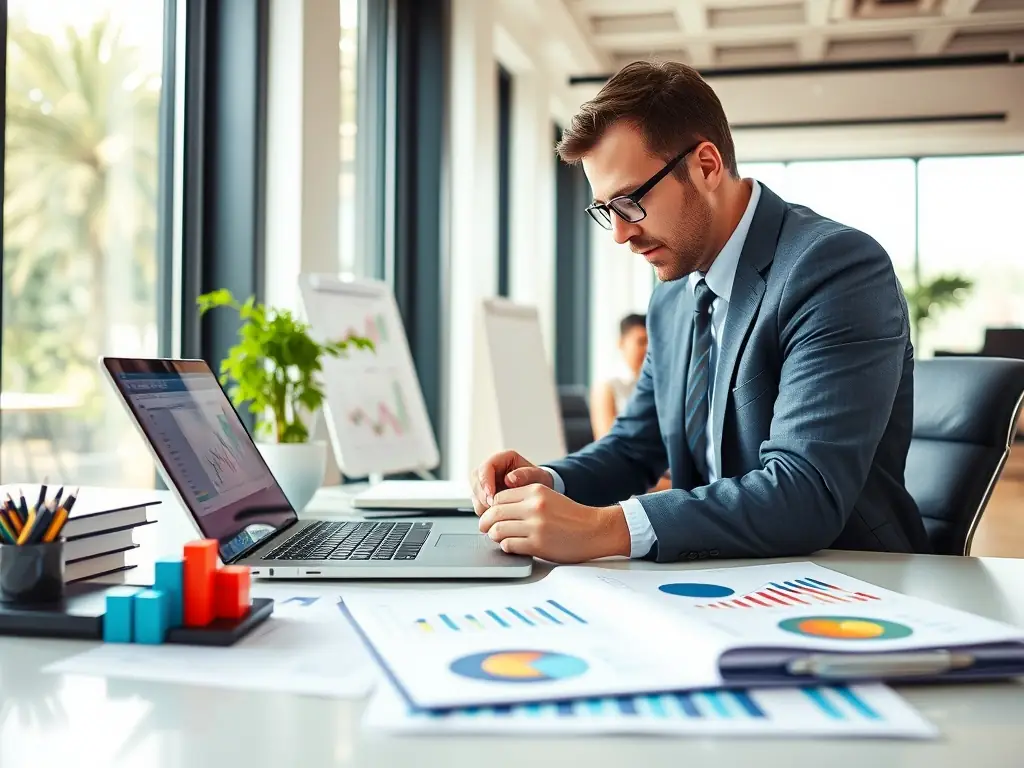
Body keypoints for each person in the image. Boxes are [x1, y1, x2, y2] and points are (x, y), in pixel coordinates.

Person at [469, 59, 930, 564]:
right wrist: (549, 482)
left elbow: (805, 491)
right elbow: (635, 446)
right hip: (718, 577)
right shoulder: (673, 293)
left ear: (706, 166)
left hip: (848, 580)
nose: (620, 233)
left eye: (629, 201)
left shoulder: (834, 269)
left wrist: (605, 527)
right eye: (606, 211)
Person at [589, 313, 648, 439]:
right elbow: (605, 439)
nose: (647, 349)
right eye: (641, 342)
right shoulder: (606, 386)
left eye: (650, 342)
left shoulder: (654, 382)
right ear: (621, 343)